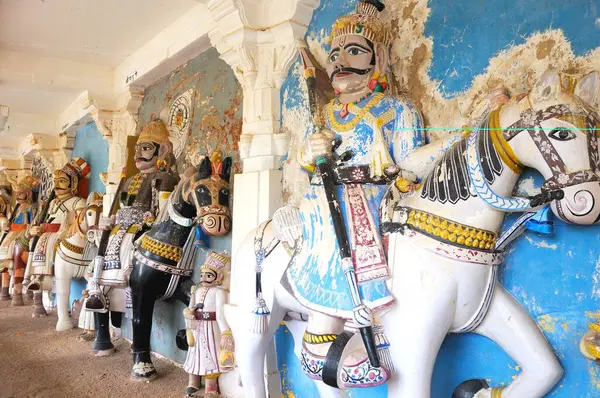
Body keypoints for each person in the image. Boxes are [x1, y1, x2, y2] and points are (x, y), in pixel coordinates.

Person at [182, 251, 234, 398]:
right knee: (194, 355)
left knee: (209, 356)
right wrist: (188, 315)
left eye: (209, 275)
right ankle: (193, 382)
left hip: (211, 328)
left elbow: (220, 314)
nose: (204, 278)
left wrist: (225, 332)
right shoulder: (196, 290)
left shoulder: (219, 292)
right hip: (196, 327)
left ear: (219, 277)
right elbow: (190, 307)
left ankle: (211, 387)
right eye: (202, 275)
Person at [0, 176, 38, 306]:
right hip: (12, 232)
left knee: (18, 250)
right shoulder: (15, 208)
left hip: (23, 232)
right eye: (17, 193)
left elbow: (32, 222)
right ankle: (5, 290)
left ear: (28, 194)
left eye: (21, 193)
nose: (18, 195)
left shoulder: (29, 207)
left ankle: (20, 291)